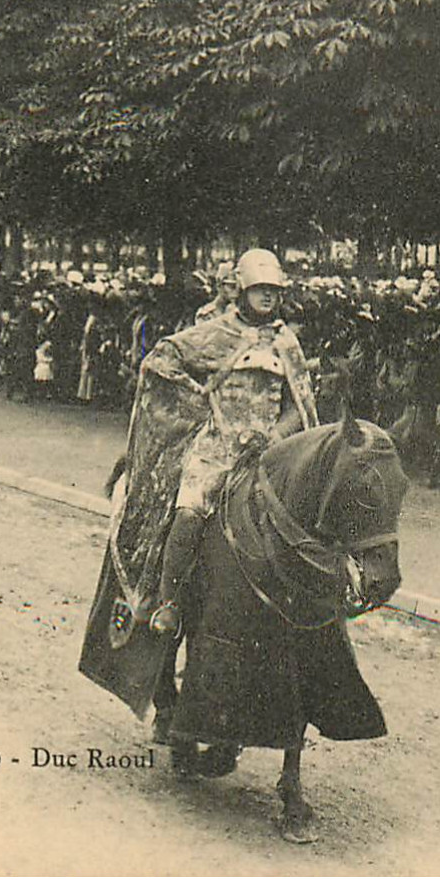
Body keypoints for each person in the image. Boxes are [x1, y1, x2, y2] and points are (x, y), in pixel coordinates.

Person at [146, 249, 319, 637]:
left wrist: (277, 434)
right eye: (259, 289)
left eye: (273, 290)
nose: (267, 297)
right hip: (218, 448)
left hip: (269, 453)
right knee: (190, 511)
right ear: (241, 288)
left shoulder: (287, 342)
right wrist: (194, 395)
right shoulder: (215, 332)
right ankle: (169, 603)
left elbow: (299, 404)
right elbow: (165, 357)